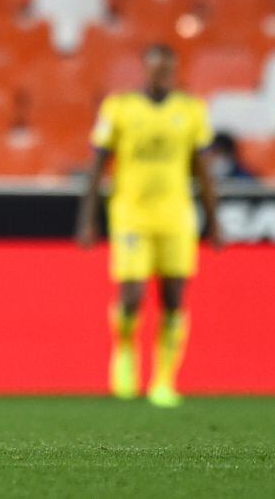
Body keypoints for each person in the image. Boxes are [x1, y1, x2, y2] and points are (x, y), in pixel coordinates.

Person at [76, 43, 223, 408]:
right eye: (155, 67)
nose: (161, 74)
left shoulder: (191, 110)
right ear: (144, 68)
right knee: (131, 297)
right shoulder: (120, 107)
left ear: (174, 70)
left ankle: (163, 380)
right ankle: (125, 350)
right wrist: (87, 217)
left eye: (167, 68)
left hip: (176, 215)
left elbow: (201, 170)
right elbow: (98, 166)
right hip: (131, 213)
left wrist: (214, 219)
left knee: (173, 298)